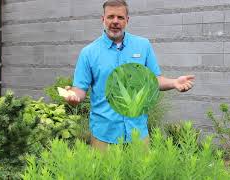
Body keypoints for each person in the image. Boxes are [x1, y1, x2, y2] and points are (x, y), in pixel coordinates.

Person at [65, 0, 195, 151]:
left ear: (127, 20)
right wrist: (73, 97)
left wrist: (174, 83)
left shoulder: (143, 45)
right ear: (103, 20)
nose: (115, 21)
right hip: (104, 134)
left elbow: (154, 80)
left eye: (120, 17)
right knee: (105, 175)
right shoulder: (88, 53)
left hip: (137, 132)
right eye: (110, 17)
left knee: (141, 174)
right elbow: (79, 89)